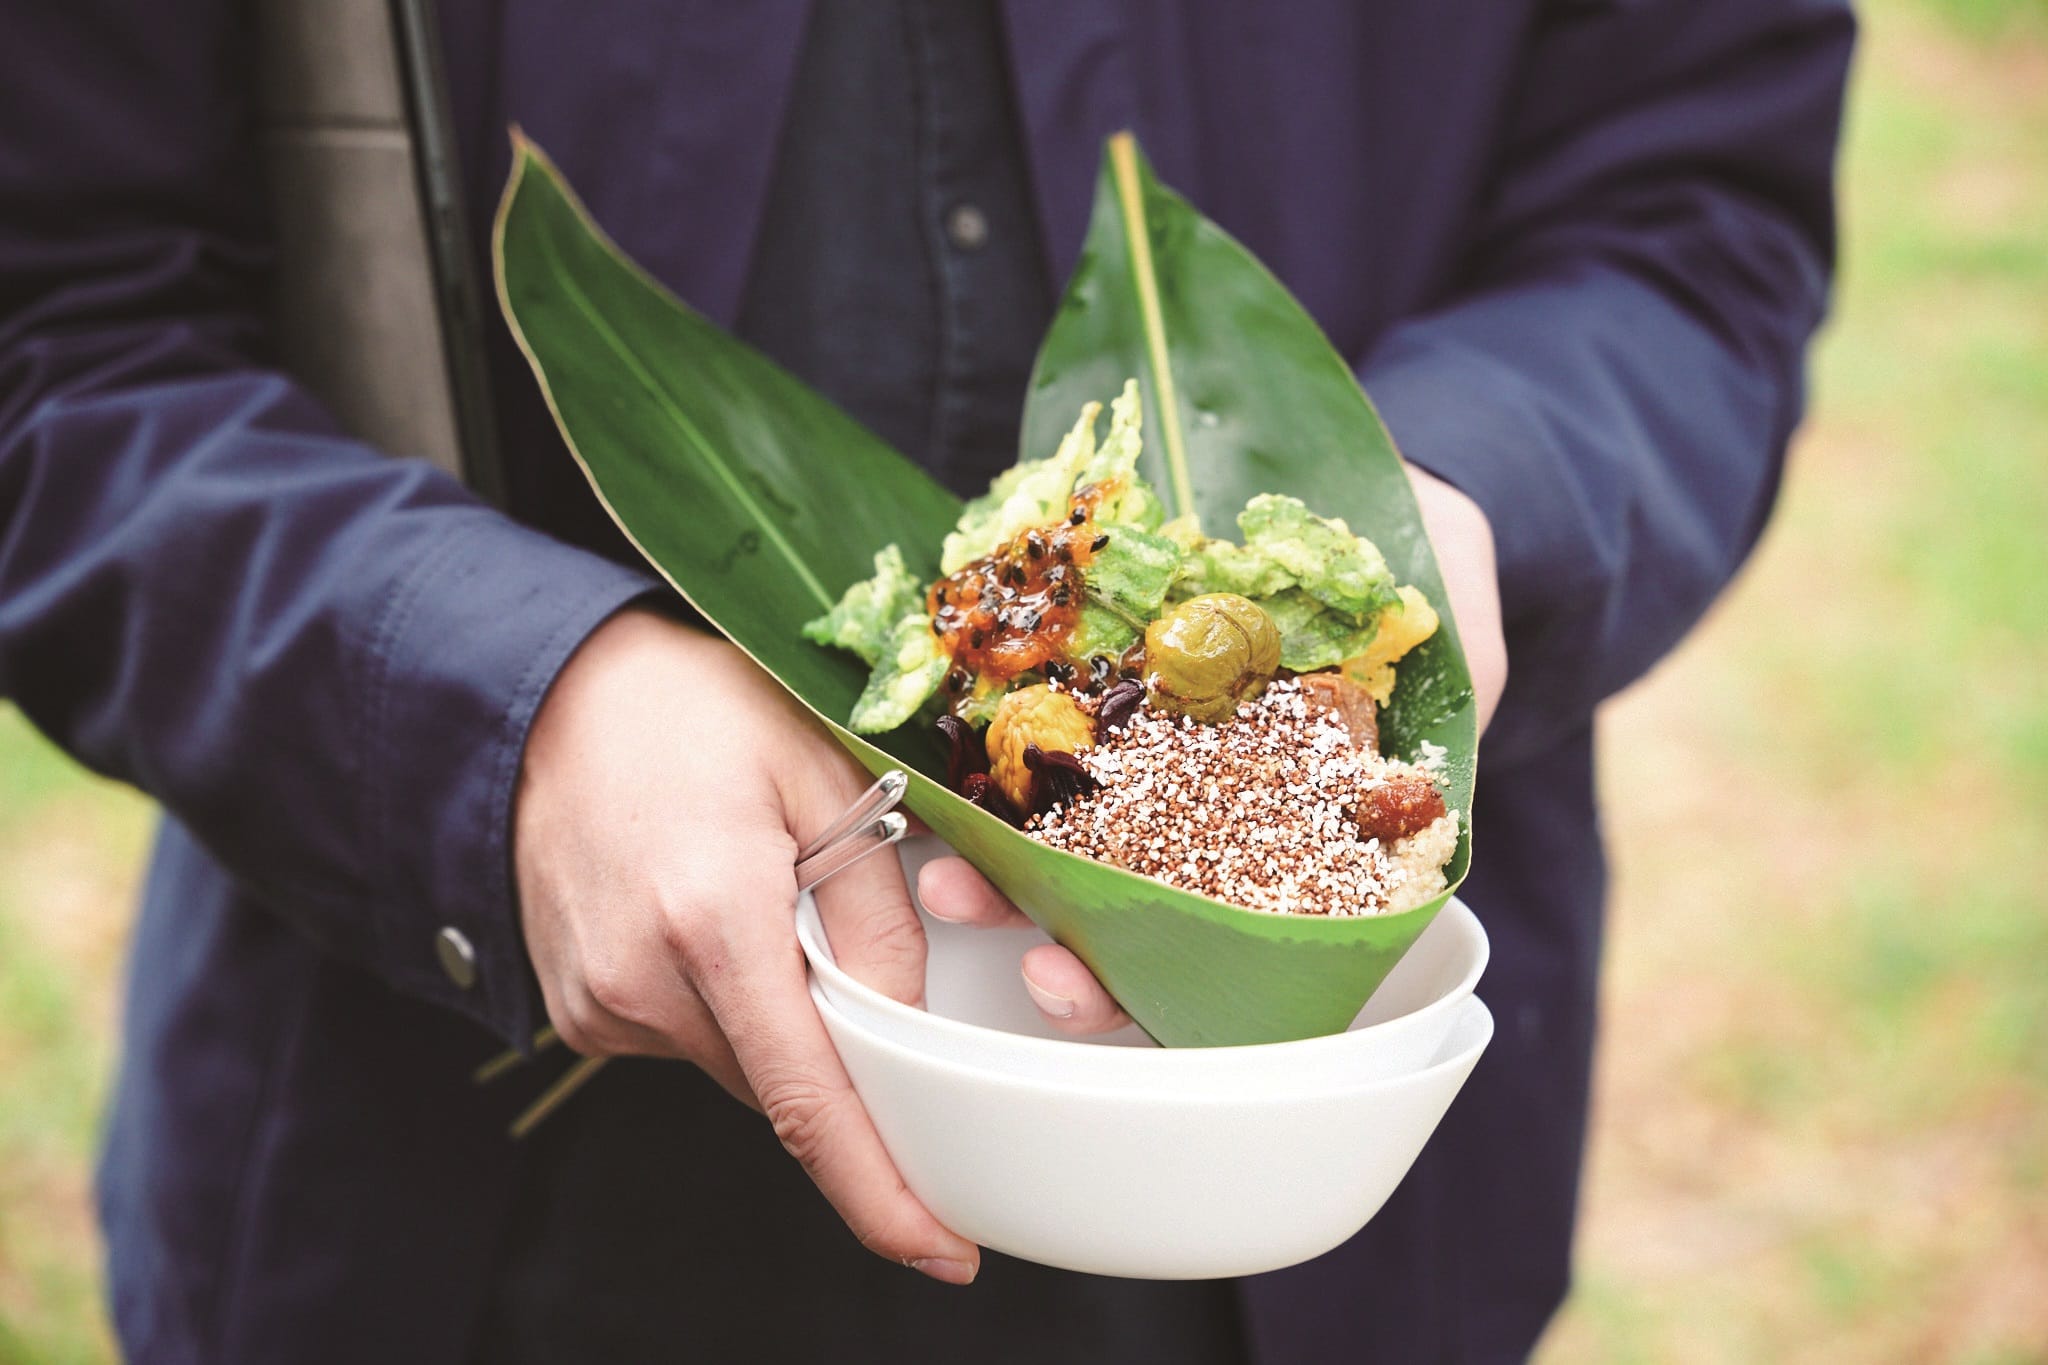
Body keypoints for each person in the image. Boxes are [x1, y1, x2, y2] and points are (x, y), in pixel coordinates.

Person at [0, 1, 1852, 1361]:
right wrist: (508, 706)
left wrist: (1456, 498)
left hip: (1311, 1190)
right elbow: (59, 327)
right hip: (459, 1188)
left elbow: (1688, 205)